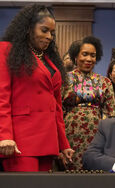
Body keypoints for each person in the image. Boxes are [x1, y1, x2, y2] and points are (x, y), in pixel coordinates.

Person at [0, 4, 74, 172]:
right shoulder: (6, 50)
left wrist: (63, 144)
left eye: (52, 33)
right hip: (20, 142)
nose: (49, 37)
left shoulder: (49, 60)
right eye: (44, 30)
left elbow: (57, 108)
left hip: (47, 141)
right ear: (28, 29)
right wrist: (4, 136)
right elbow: (1, 97)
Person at [62, 36, 115, 170]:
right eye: (85, 54)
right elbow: (58, 109)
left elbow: (112, 113)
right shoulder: (63, 79)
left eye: (93, 55)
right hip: (70, 134)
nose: (89, 59)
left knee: (96, 172)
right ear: (75, 56)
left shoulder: (105, 82)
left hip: (98, 135)